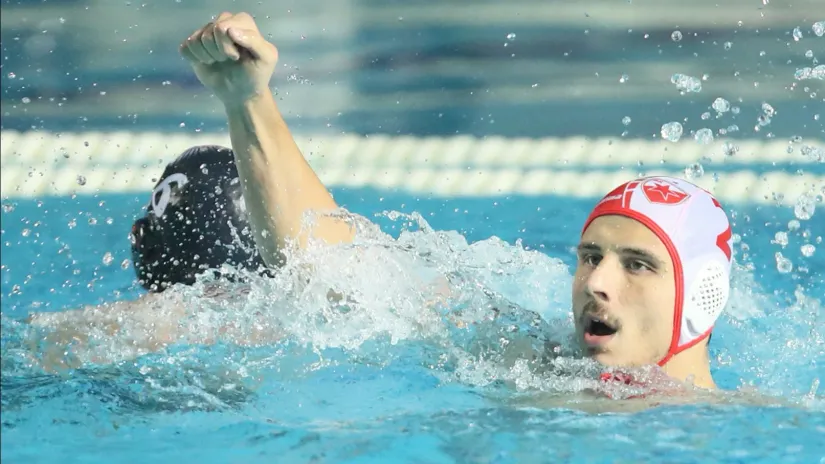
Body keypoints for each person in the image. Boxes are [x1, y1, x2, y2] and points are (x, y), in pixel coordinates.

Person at [176, 12, 735, 392]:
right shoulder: (520, 363)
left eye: (637, 264)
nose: (596, 282)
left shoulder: (752, 432)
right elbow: (329, 263)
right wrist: (249, 100)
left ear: (701, 298)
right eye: (591, 256)